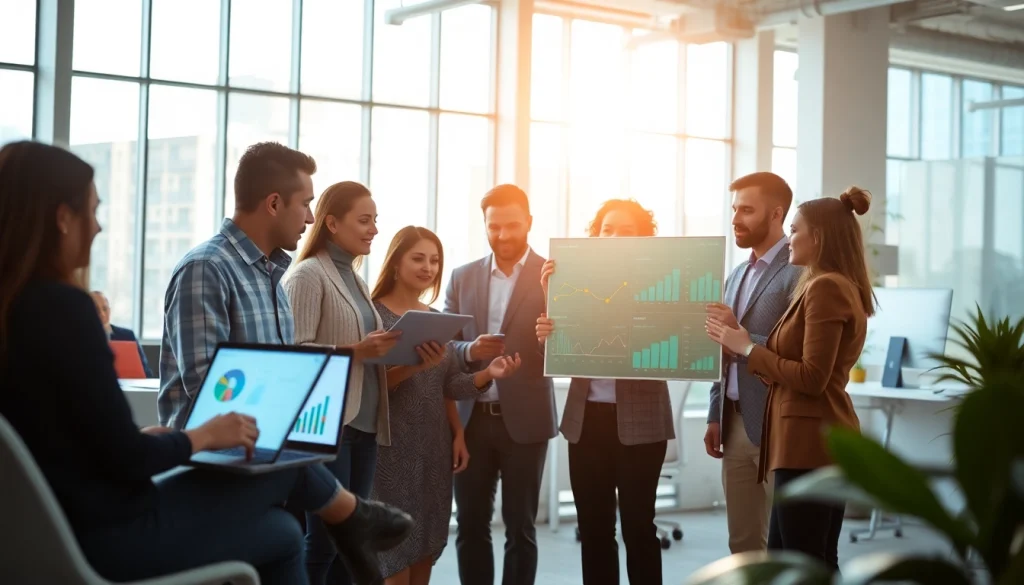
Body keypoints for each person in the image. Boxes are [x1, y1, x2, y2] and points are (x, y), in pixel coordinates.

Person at [0, 140, 412, 585]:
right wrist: (196, 436)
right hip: (103, 532)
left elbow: (75, 439)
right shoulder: (68, 309)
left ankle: (351, 518)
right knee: (286, 475)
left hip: (52, 526)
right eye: (92, 212)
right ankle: (352, 516)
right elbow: (145, 440)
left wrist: (149, 437)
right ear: (62, 219)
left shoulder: (20, 309)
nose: (99, 228)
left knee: (285, 532)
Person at [705, 187, 874, 572]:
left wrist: (747, 348)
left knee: (802, 564)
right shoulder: (821, 285)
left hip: (809, 443)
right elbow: (803, 365)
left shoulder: (826, 287)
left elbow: (813, 377)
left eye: (795, 230)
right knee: (807, 559)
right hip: (803, 441)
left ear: (819, 238)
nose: (789, 238)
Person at [370, 226, 523, 585]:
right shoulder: (373, 315)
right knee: (394, 560)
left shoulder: (436, 318)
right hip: (390, 451)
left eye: (434, 260)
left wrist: (489, 374)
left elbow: (450, 386)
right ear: (395, 264)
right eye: (418, 258)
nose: (428, 267)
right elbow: (369, 389)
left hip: (433, 451)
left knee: (425, 551)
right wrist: (414, 367)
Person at [535, 199, 671, 585]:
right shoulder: (572, 281)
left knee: (638, 527)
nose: (613, 237)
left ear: (644, 240)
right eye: (606, 230)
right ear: (594, 236)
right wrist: (551, 306)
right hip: (586, 422)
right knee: (594, 530)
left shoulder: (658, 284)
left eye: (625, 231)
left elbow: (675, 345)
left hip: (642, 423)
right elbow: (558, 356)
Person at [283, 181, 400, 585]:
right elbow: (294, 354)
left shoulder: (356, 279)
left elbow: (365, 350)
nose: (373, 229)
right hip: (328, 424)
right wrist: (357, 351)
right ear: (331, 223)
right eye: (364, 220)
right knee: (324, 543)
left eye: (375, 221)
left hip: (363, 424)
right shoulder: (307, 275)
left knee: (352, 543)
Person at [443, 185, 557, 585]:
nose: (504, 235)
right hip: (471, 421)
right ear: (485, 226)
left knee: (520, 528)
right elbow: (446, 345)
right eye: (495, 227)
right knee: (470, 525)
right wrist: (471, 349)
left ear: (529, 222)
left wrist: (550, 341)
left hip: (526, 421)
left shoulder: (554, 275)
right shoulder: (462, 277)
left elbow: (572, 350)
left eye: (512, 225)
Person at [702, 172, 803, 553]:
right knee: (742, 543)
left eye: (747, 210)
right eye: (734, 209)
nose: (735, 219)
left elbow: (802, 351)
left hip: (780, 423)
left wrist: (744, 339)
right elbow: (721, 349)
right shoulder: (736, 275)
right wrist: (715, 414)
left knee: (785, 546)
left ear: (776, 214)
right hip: (733, 421)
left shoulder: (800, 272)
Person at [91, 290, 153, 377]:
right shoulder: (80, 338)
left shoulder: (128, 336)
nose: (102, 314)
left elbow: (146, 372)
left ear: (109, 310)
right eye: (96, 310)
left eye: (105, 309)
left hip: (129, 387)